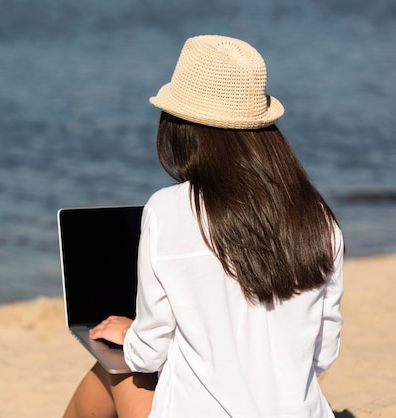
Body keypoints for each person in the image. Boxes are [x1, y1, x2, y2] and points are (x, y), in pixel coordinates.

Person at [63, 34, 344, 418]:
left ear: (181, 126)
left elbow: (149, 353)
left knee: (111, 368)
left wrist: (131, 335)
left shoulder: (168, 210)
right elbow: (324, 351)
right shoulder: (317, 218)